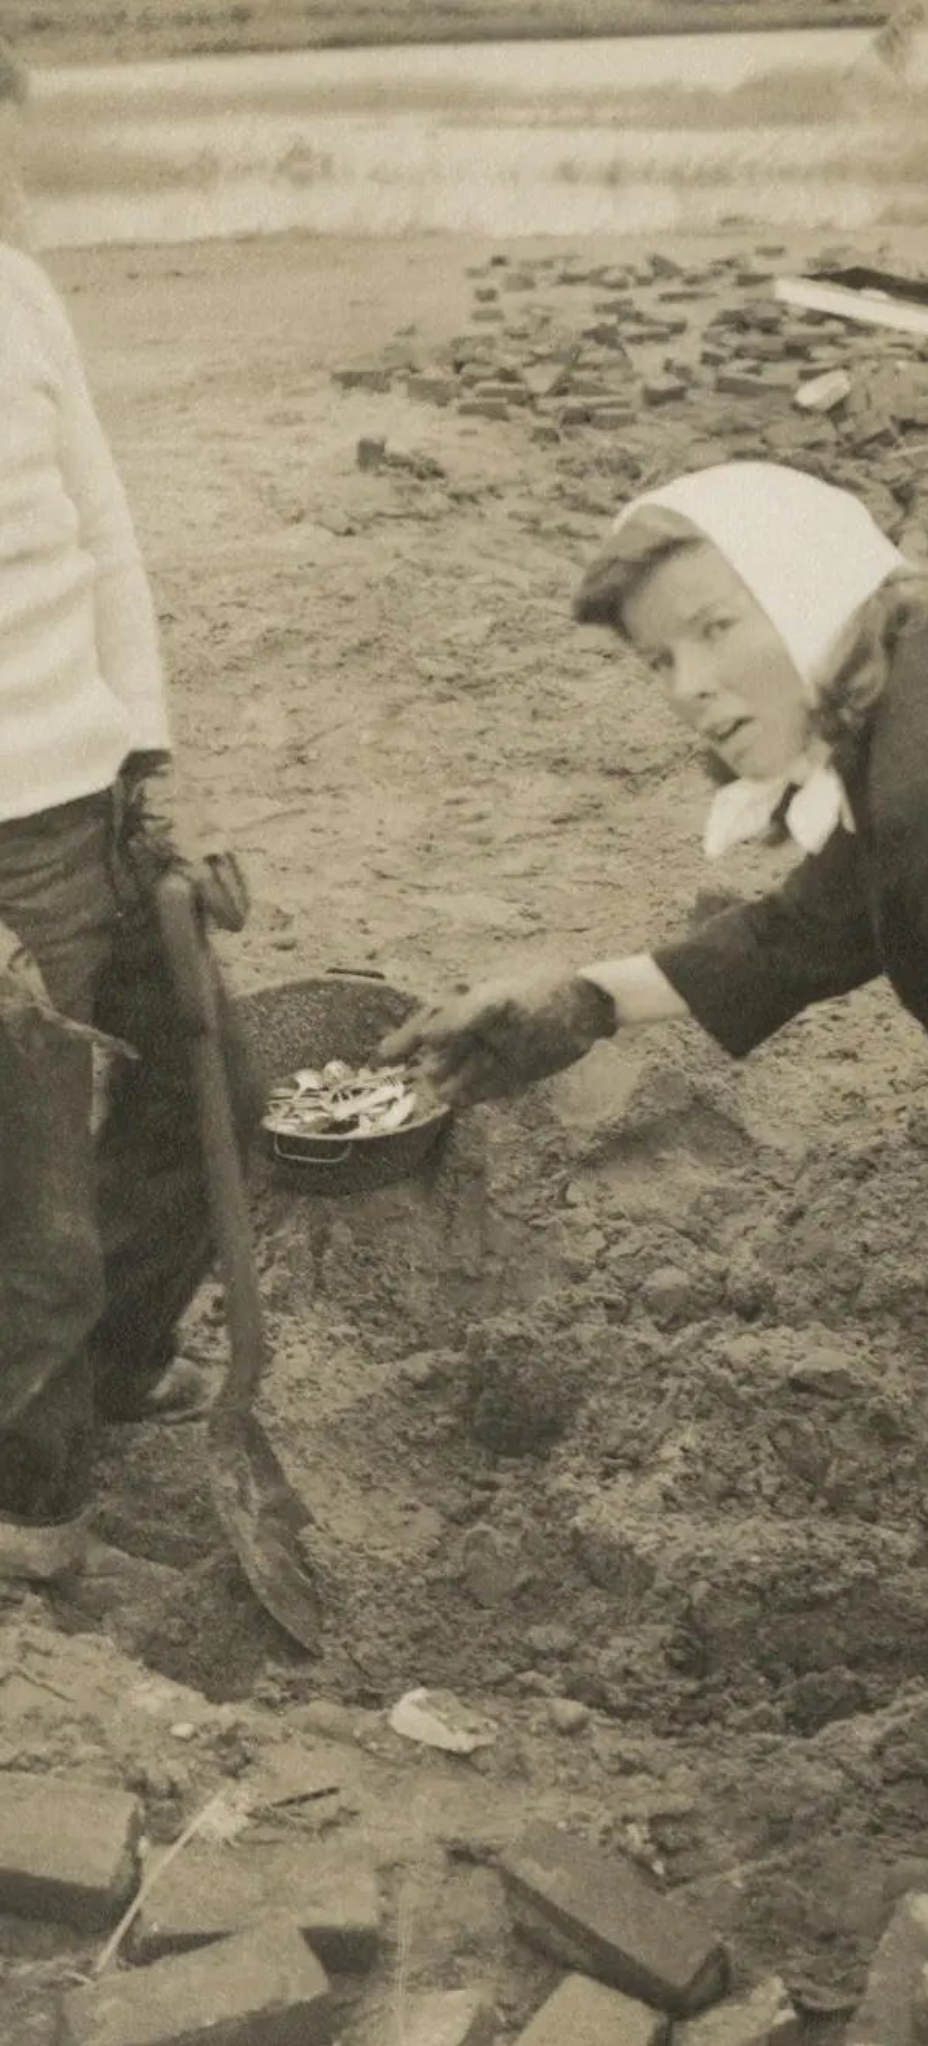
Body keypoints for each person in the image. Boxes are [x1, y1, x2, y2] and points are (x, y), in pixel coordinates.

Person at [378, 457, 928, 1625]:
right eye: (662, 659)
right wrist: (591, 1000)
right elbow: (838, 909)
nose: (693, 687)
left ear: (812, 587)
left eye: (718, 628)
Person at [0, 54, 260, 1582]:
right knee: (38, 1233)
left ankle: (104, 1389)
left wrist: (145, 752)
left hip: (92, 803)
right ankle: (33, 1531)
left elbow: (105, 530)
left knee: (202, 1112)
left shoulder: (21, 298)